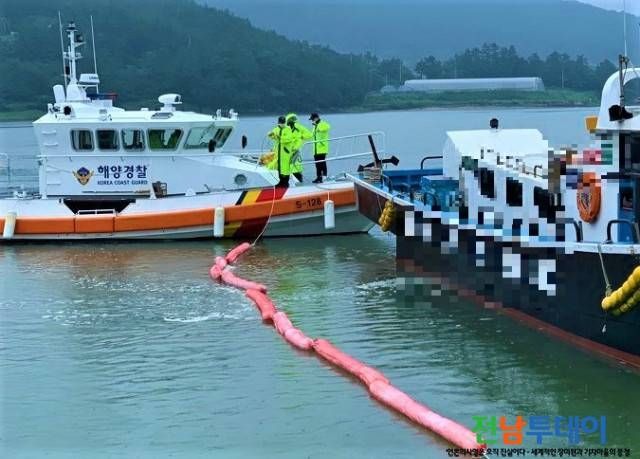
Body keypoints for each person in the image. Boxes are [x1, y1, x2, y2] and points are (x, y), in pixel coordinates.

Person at [267, 116, 294, 188]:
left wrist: (280, 137)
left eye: (283, 122)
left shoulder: (288, 129)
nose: (282, 124)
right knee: (279, 167)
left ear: (285, 122)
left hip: (285, 152)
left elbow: (288, 139)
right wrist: (270, 135)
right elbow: (273, 137)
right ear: (278, 122)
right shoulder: (276, 129)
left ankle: (286, 183)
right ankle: (280, 182)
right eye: (281, 122)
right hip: (278, 151)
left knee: (285, 168)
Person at [286, 113, 312, 182]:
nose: (292, 121)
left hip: (296, 152)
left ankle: (299, 183)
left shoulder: (299, 127)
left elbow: (309, 135)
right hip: (287, 153)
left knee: (296, 167)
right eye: (291, 120)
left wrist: (301, 137)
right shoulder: (285, 129)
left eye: (293, 120)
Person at [309, 113, 331, 183]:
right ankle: (318, 177)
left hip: (322, 148)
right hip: (316, 149)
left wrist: (317, 126)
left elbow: (327, 127)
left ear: (316, 118)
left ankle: (324, 176)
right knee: (317, 164)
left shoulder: (323, 124)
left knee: (322, 163)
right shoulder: (314, 126)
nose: (312, 121)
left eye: (312, 119)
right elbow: (312, 135)